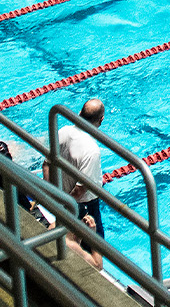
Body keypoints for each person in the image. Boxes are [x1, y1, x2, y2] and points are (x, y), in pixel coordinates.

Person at [51, 98, 108, 236]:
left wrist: (52, 198)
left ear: (79, 113)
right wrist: (64, 209)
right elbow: (79, 191)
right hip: (84, 206)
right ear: (101, 120)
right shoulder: (92, 150)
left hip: (61, 194)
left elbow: (47, 164)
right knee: (96, 243)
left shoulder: (63, 131)